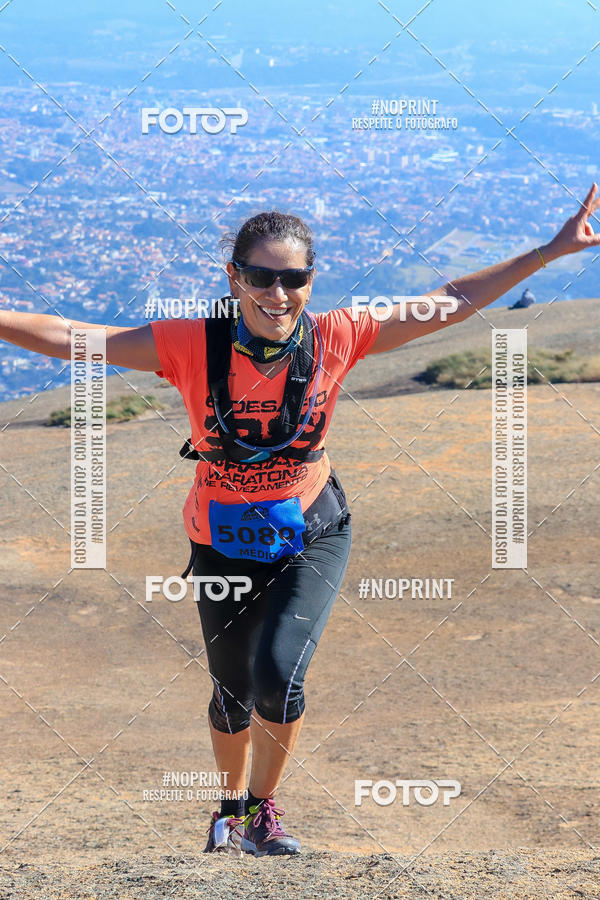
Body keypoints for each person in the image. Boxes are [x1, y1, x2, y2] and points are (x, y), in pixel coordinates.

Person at [1, 184, 599, 857]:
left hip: (311, 530)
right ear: (234, 278)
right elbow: (77, 339)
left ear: (310, 282)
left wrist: (549, 252)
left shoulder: (339, 336)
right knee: (230, 690)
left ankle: (261, 811)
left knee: (278, 675)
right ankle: (227, 814)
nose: (278, 294)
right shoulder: (190, 345)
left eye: (294, 278)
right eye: (261, 277)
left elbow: (449, 305)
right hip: (220, 538)